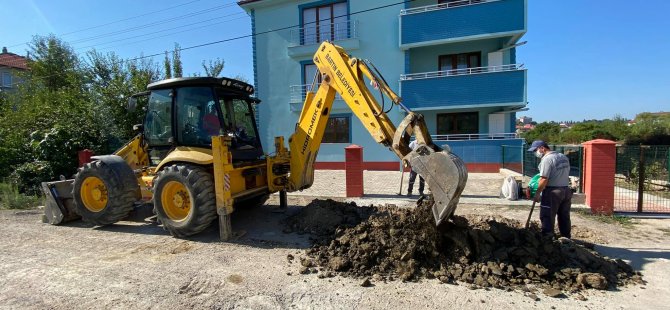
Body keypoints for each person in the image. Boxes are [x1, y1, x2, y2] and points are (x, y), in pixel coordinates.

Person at [528, 140, 573, 239]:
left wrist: (537, 193)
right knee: (564, 216)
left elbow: (544, 178)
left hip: (553, 192)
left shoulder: (547, 159)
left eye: (535, 150)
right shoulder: (563, 157)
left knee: (547, 215)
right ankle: (566, 237)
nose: (535, 153)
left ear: (542, 148)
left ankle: (547, 237)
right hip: (566, 190)